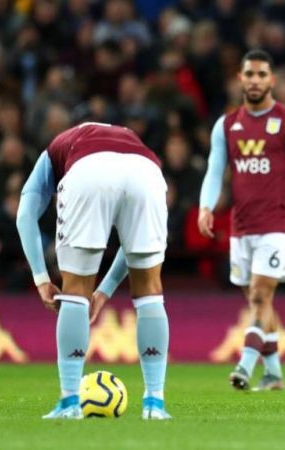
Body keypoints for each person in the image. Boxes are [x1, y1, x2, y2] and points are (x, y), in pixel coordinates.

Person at [16, 121, 172, 420]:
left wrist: (41, 278)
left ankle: (70, 402)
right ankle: (155, 403)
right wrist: (105, 290)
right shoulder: (134, 142)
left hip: (88, 172)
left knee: (75, 292)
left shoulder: (57, 148)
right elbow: (132, 247)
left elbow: (26, 214)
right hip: (147, 174)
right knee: (150, 290)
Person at [198, 49, 285, 391]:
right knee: (258, 301)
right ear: (240, 79)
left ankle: (245, 366)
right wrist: (206, 206)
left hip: (277, 225)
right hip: (241, 226)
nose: (254, 81)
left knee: (261, 297)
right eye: (249, 74)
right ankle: (275, 373)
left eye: (261, 75)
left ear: (271, 80)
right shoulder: (226, 125)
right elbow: (214, 170)